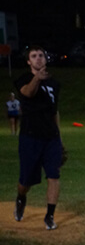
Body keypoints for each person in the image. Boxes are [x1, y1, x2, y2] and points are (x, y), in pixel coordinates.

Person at [13, 46, 65, 230]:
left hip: (51, 138)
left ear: (46, 59)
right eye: (33, 56)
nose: (38, 59)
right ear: (29, 62)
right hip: (30, 137)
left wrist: (60, 139)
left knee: (54, 175)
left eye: (41, 55)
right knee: (26, 181)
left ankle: (49, 216)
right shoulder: (24, 79)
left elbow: (54, 112)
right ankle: (21, 198)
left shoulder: (54, 84)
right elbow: (27, 93)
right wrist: (37, 78)